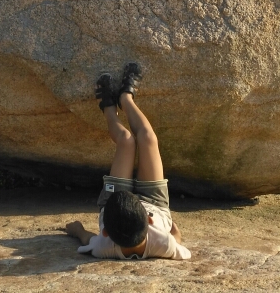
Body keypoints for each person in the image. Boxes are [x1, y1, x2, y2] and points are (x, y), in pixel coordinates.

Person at [64, 62, 191, 260]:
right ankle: (125, 98)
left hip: (114, 201)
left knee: (126, 140)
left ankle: (108, 109)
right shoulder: (163, 245)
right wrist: (174, 233)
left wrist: (76, 230)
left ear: (105, 233)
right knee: (148, 138)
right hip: (154, 202)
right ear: (149, 221)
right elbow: (177, 241)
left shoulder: (104, 248)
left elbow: (86, 238)